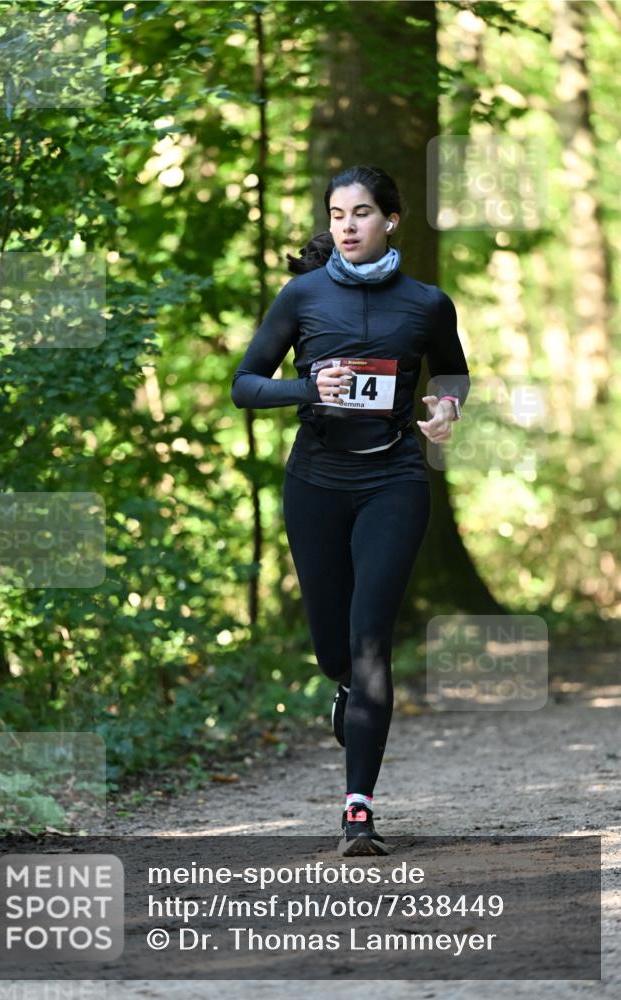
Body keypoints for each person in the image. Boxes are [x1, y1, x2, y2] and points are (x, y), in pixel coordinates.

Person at [231, 164, 470, 856]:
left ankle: (357, 810)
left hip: (394, 479)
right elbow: (246, 385)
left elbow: (452, 371)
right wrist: (307, 387)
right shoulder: (301, 296)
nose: (348, 225)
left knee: (369, 642)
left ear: (390, 220)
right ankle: (346, 694)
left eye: (362, 213)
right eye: (337, 215)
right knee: (333, 649)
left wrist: (446, 407)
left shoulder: (426, 303)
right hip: (315, 482)